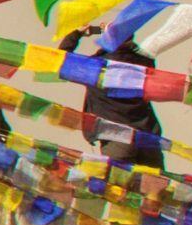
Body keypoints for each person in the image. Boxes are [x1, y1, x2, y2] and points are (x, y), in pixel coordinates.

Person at [58, 25, 166, 169]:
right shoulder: (144, 63)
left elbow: (59, 61)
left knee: (119, 187)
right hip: (147, 137)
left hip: (115, 137)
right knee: (154, 186)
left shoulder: (95, 67)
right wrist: (118, 30)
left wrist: (77, 33)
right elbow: (135, 52)